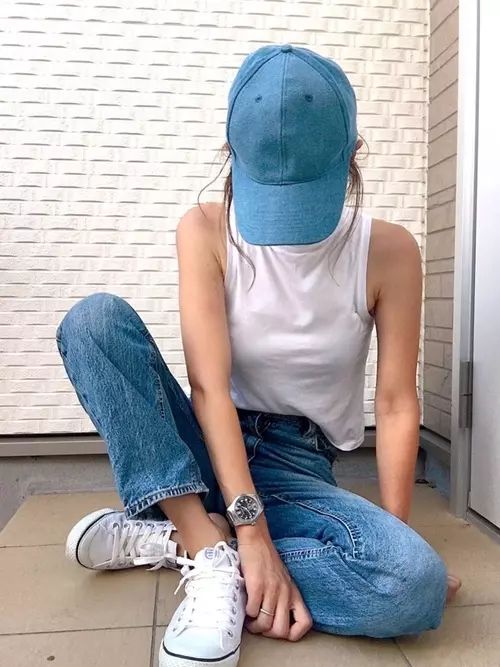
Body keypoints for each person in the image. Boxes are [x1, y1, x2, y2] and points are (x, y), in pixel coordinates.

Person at [56, 44, 460, 667]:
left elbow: (397, 403)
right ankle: (209, 544)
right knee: (93, 322)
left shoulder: (390, 252)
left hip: (295, 464)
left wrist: (398, 541)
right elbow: (209, 388)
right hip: (203, 439)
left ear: (354, 154)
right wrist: (252, 528)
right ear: (231, 151)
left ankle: (186, 540)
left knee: (412, 583)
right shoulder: (204, 230)